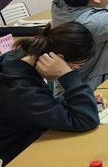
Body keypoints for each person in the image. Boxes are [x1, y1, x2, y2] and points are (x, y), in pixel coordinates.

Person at [0, 22, 100, 165]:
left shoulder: (23, 62)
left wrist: (81, 100)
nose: (73, 71)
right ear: (58, 59)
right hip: (21, 157)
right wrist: (67, 76)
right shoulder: (19, 88)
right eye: (74, 68)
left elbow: (43, 104)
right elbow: (86, 119)